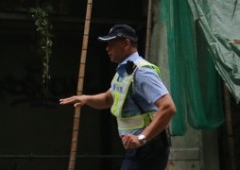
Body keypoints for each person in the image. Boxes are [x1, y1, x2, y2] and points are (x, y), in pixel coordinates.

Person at [60, 23, 176, 170]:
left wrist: (141, 138)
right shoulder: (124, 71)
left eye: (111, 44)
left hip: (149, 146)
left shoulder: (142, 72)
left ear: (126, 43)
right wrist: (85, 99)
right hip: (139, 147)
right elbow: (108, 99)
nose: (107, 48)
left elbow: (168, 107)